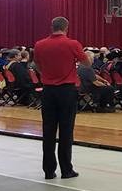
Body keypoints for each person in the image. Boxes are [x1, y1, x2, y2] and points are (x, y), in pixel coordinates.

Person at [33, 16, 89, 180]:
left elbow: (36, 64)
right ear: (66, 27)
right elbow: (86, 63)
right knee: (66, 130)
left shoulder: (39, 44)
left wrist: (47, 74)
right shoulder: (72, 44)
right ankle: (66, 169)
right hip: (66, 90)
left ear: (52, 27)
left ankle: (49, 171)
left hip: (48, 90)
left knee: (48, 130)